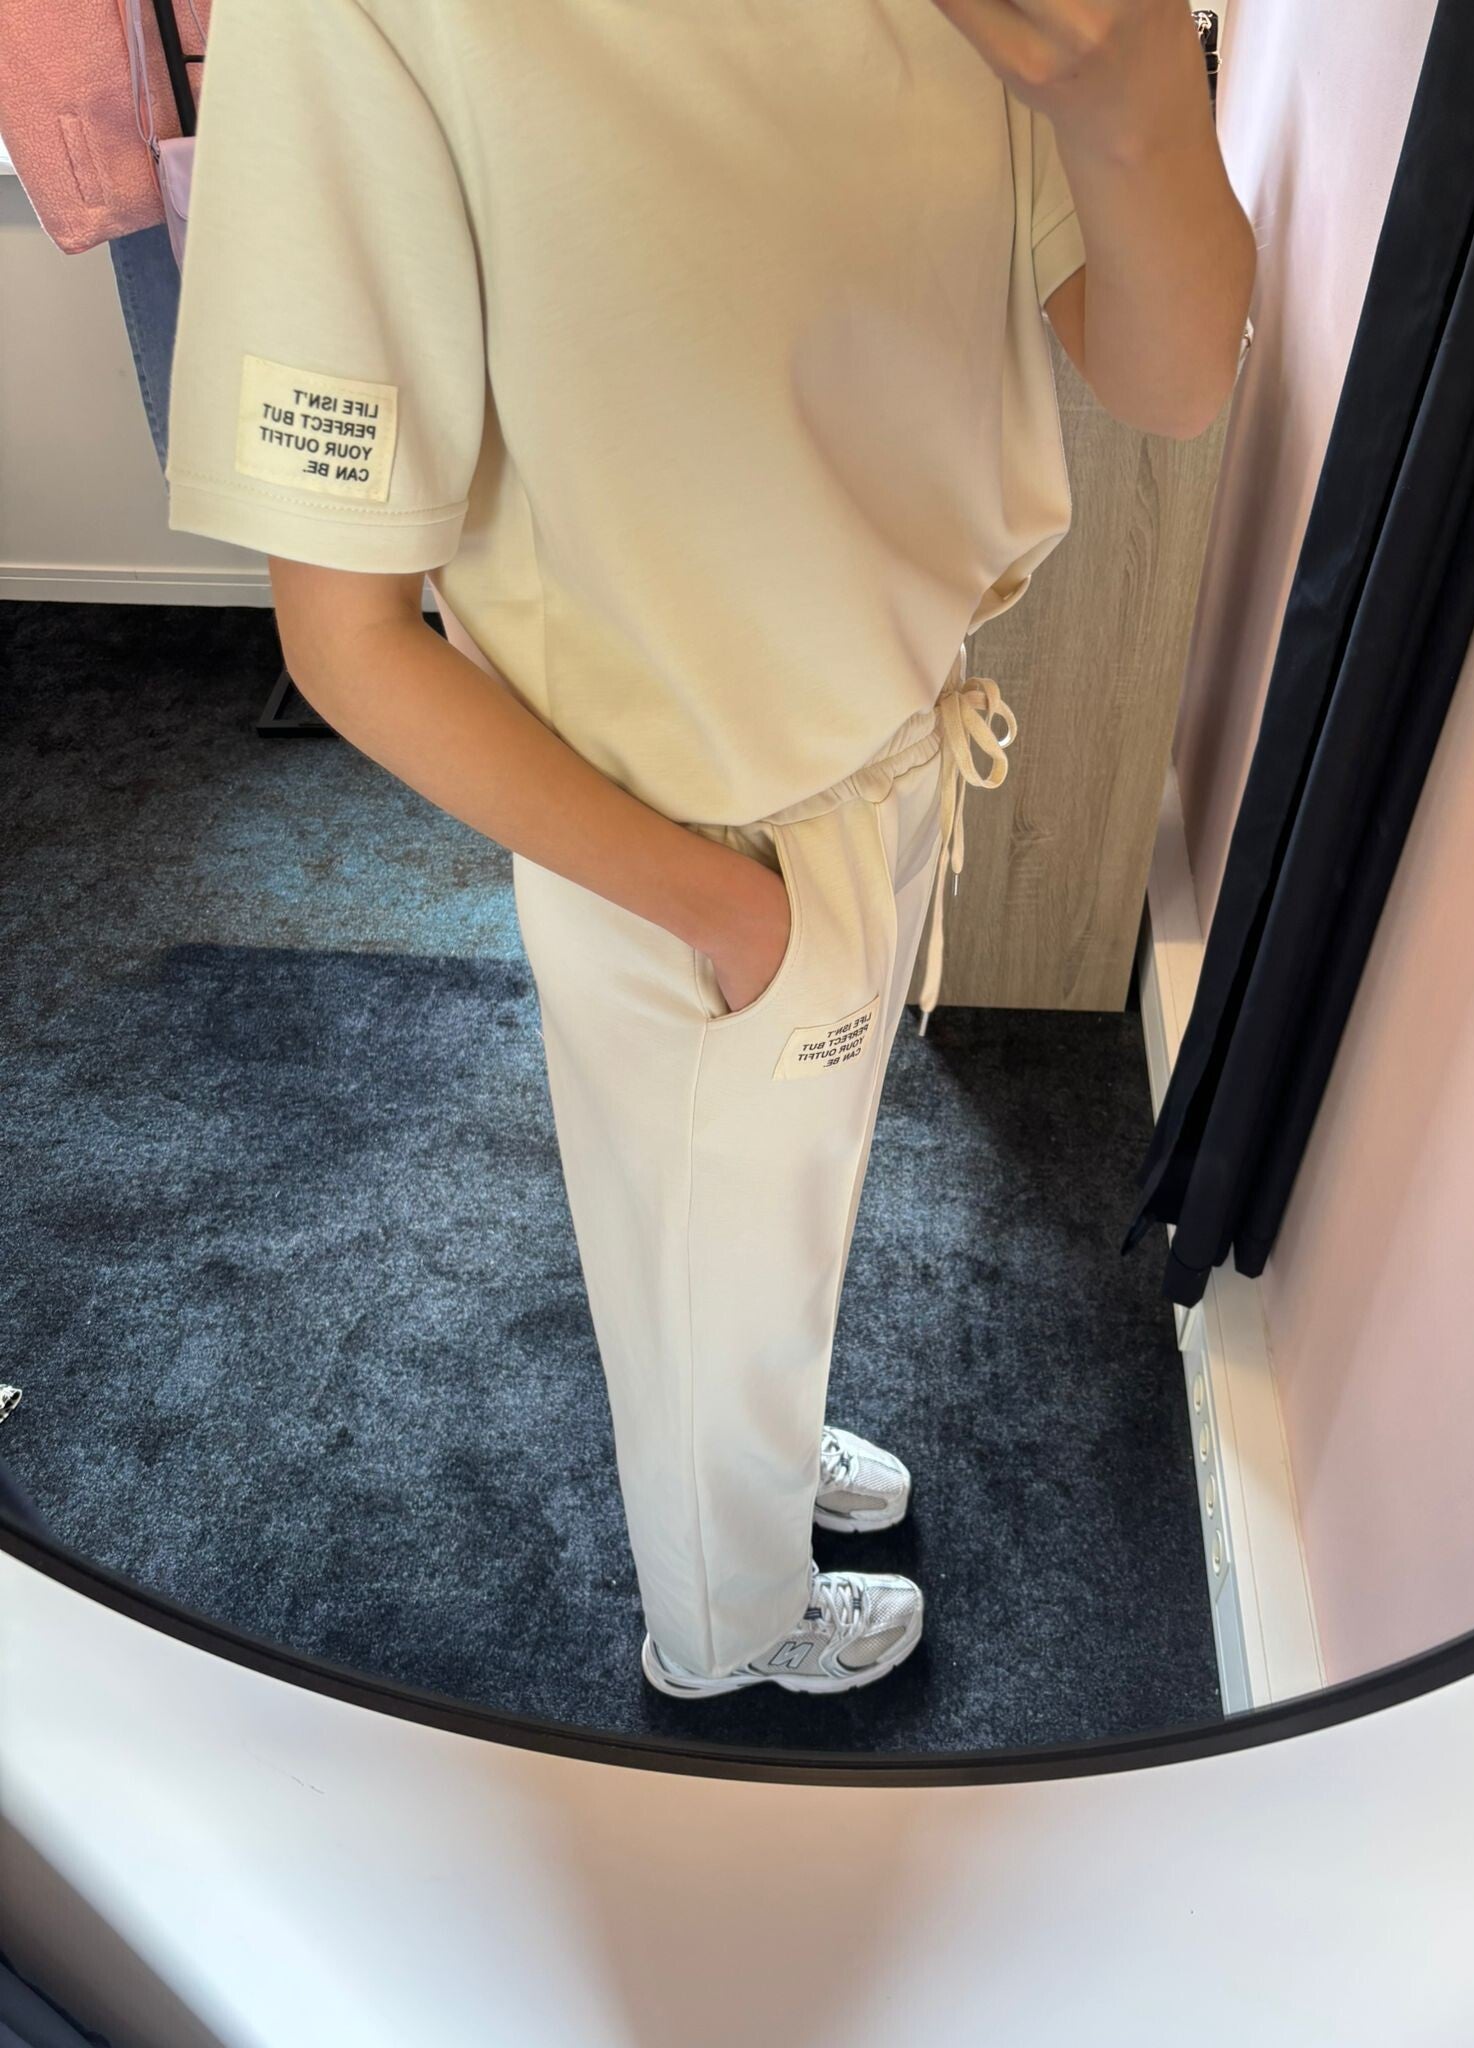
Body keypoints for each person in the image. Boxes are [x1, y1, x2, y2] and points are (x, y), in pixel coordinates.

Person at [164, 0, 1256, 1698]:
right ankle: (727, 1634)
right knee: (692, 1267)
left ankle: (760, 1440)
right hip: (672, 842)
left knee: (776, 1220)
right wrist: (729, 912)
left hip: (893, 749)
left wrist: (1138, 102)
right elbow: (344, 638)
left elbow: (1174, 381)